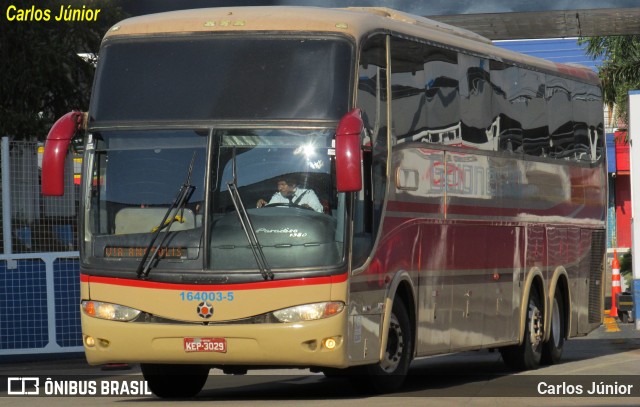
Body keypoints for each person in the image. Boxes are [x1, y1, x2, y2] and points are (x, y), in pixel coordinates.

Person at [256, 177, 323, 212]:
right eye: (278, 185)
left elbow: (319, 210)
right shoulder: (278, 196)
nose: (279, 188)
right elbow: (270, 210)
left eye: (283, 184)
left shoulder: (308, 194)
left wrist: (310, 209)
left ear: (293, 185)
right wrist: (262, 205)